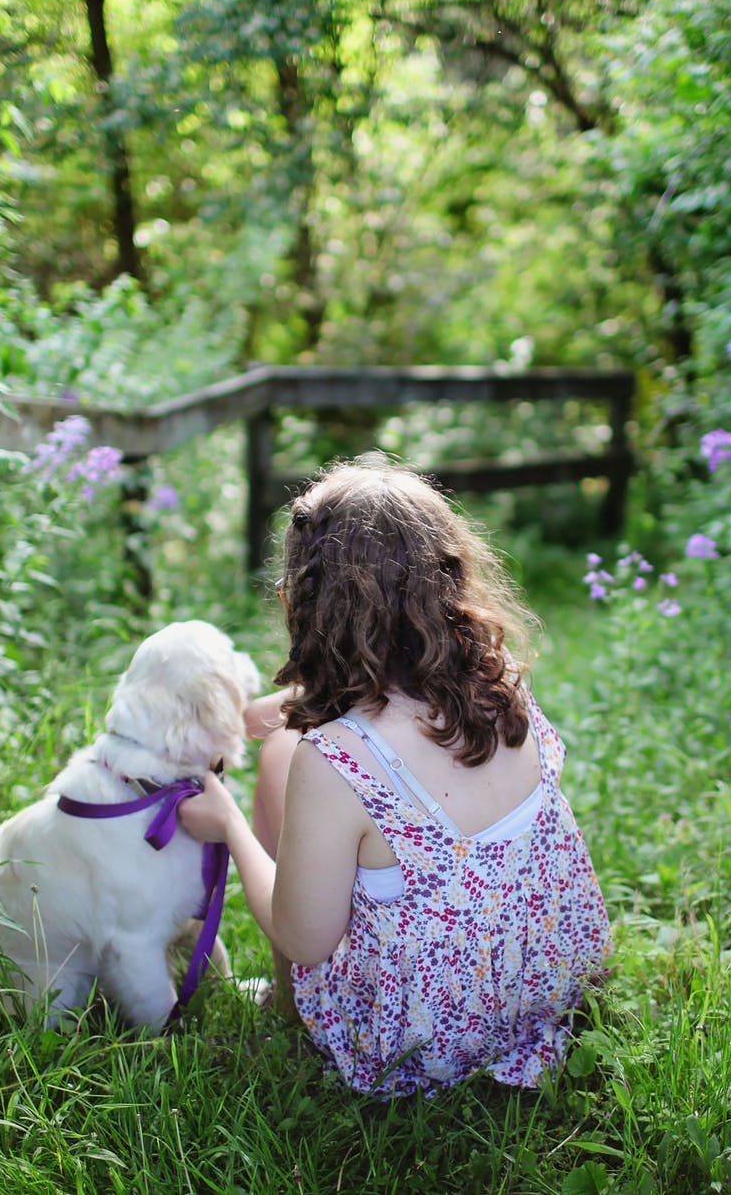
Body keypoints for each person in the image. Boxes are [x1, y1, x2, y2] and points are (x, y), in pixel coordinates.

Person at [176, 458, 610, 1097]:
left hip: (420, 1036)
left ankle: (290, 1008)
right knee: (283, 743)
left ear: (306, 602)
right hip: (547, 984)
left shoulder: (332, 760)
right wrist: (254, 714)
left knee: (278, 757)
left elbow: (306, 938)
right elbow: (375, 714)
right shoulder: (501, 681)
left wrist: (231, 828)